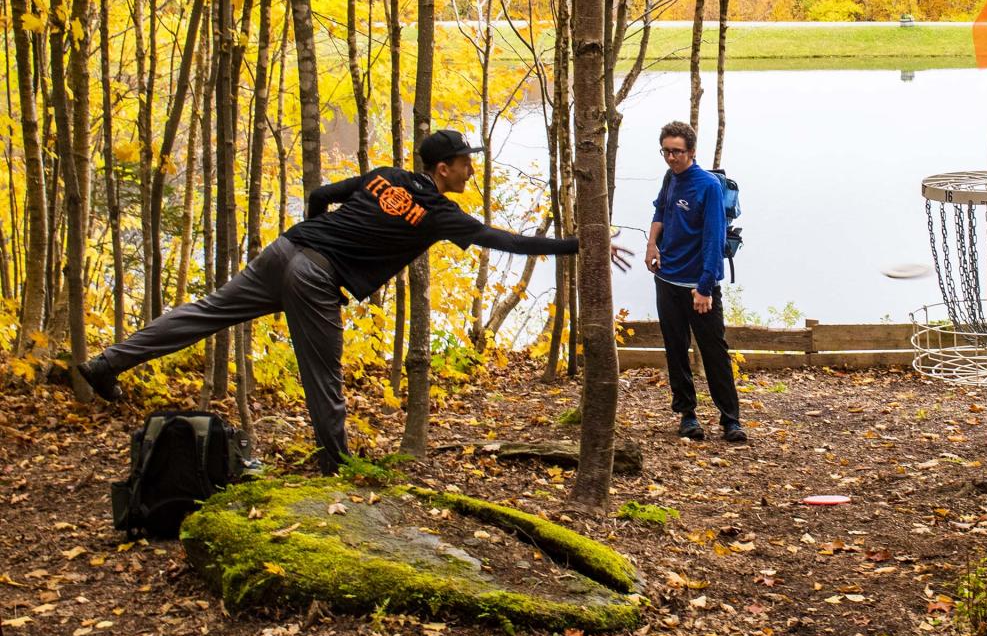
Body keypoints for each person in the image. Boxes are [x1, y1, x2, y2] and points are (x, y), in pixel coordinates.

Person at [71, 129, 630, 471]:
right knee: (325, 374)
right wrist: (585, 244)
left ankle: (104, 364)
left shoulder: (384, 176)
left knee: (203, 314)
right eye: (465, 161)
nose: (470, 167)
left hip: (285, 248)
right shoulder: (439, 212)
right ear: (443, 169)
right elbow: (505, 241)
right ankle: (338, 464)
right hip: (312, 273)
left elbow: (318, 195)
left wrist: (310, 245)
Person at [645, 120, 745, 443]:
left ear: (691, 151)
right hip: (667, 281)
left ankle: (730, 419)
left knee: (714, 351)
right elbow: (660, 211)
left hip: (698, 287)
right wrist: (651, 245)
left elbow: (714, 240)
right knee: (676, 350)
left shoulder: (707, 186)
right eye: (666, 151)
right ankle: (687, 416)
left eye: (677, 152)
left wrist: (704, 287)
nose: (671, 158)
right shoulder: (669, 178)